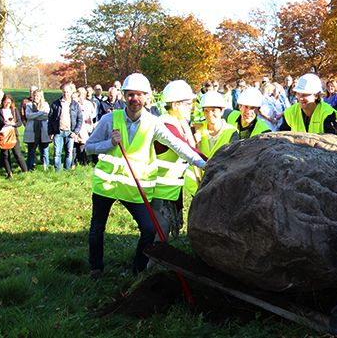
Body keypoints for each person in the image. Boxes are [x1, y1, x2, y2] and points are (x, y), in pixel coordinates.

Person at [85, 73, 206, 279]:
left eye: (139, 95)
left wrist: (204, 164)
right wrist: (109, 144)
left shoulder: (153, 123)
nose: (135, 99)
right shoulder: (109, 120)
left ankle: (138, 269)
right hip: (106, 185)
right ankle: (96, 269)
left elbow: (177, 145)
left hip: (133, 187)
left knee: (149, 230)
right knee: (97, 229)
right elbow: (88, 147)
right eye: (130, 94)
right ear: (124, 96)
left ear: (147, 98)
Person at [152, 80, 200, 242]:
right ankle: (150, 265)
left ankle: (153, 263)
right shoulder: (166, 124)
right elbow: (187, 150)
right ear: (175, 105)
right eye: (187, 104)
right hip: (159, 189)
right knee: (160, 230)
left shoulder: (178, 123)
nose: (191, 107)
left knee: (163, 230)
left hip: (169, 188)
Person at [187, 91, 239, 195]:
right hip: (198, 187)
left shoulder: (231, 132)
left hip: (221, 185)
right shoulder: (197, 131)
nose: (209, 114)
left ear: (222, 111)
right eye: (206, 111)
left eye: (213, 110)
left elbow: (234, 163)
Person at [48, 82, 83, 171]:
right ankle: (58, 171)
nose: (65, 94)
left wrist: (75, 132)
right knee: (57, 153)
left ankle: (66, 170)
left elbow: (80, 119)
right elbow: (51, 119)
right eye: (64, 92)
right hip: (58, 132)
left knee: (69, 152)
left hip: (70, 132)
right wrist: (50, 132)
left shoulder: (75, 105)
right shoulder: (56, 104)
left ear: (71, 92)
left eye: (67, 92)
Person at [0, 94, 28, 178]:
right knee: (5, 155)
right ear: (3, 102)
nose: (7, 104)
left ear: (11, 102)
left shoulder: (14, 110)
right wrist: (3, 123)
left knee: (17, 153)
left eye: (9, 102)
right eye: (6, 102)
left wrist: (13, 124)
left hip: (13, 134)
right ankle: (9, 173)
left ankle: (25, 171)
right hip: (3, 135)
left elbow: (19, 123)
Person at [23, 89, 51, 171]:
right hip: (32, 131)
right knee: (31, 151)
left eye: (37, 96)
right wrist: (40, 113)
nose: (35, 97)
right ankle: (30, 168)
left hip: (43, 131)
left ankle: (46, 167)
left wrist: (35, 115)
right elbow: (28, 116)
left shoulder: (45, 105)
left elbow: (47, 116)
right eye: (34, 95)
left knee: (45, 150)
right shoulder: (29, 105)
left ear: (41, 96)